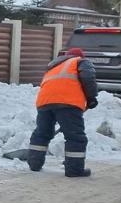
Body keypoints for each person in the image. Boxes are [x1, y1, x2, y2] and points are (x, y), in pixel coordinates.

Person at [27, 46, 98, 178]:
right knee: (75, 136)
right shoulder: (80, 61)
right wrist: (91, 97)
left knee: (42, 133)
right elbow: (88, 77)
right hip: (67, 102)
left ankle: (34, 164)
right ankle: (74, 170)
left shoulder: (53, 66)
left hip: (44, 102)